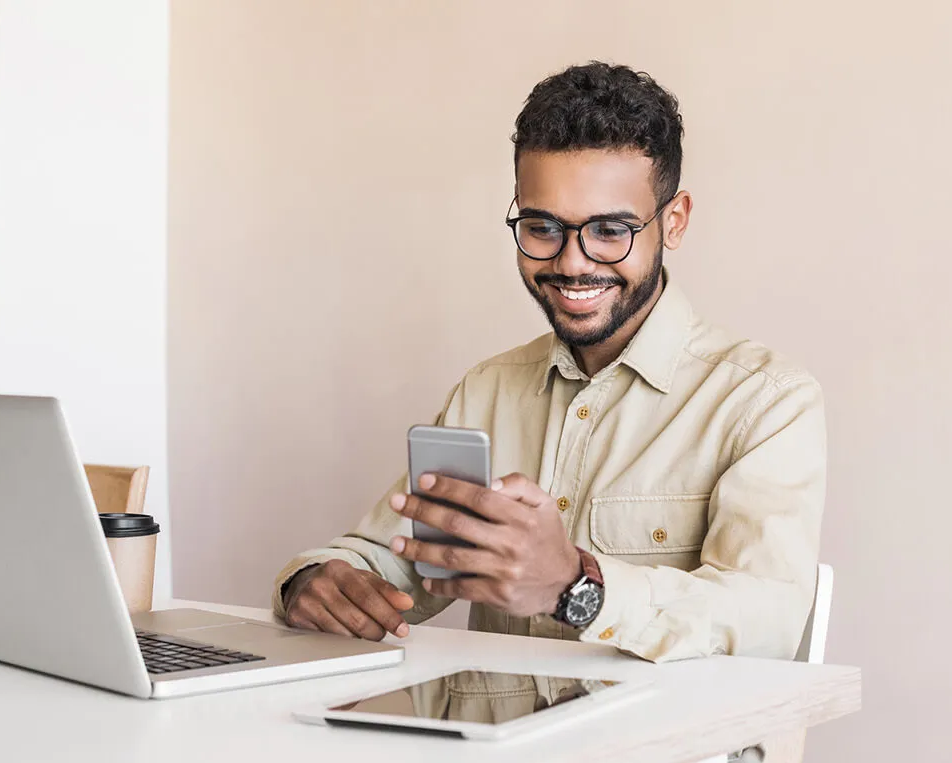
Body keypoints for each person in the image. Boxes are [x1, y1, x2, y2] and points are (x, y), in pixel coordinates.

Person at [273, 61, 826, 663]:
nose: (571, 262)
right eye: (542, 227)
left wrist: (575, 587)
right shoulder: (485, 392)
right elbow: (395, 565)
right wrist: (315, 583)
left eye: (611, 230)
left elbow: (767, 618)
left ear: (675, 221)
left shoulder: (765, 402)